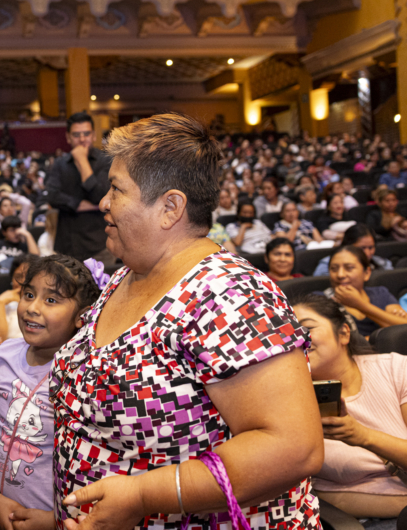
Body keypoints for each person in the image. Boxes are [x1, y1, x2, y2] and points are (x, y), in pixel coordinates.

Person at [52, 113, 323, 530]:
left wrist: (142, 496)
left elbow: (291, 448)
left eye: (117, 189)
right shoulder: (131, 272)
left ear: (170, 207)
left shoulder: (229, 294)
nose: (104, 202)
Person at [0, 255, 101, 530]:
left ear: (81, 317)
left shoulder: (83, 375)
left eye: (51, 300)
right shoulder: (4, 355)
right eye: (29, 294)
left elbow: (98, 471)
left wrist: (56, 521)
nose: (32, 308)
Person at [291, 294, 407, 523]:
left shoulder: (395, 368)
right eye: (288, 333)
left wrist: (360, 435)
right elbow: (315, 494)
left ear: (343, 333)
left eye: (306, 328)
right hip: (374, 519)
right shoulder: (289, 404)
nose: (296, 338)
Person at [45, 112, 113, 265]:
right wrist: (81, 205)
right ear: (68, 137)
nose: (82, 139)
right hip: (67, 244)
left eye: (86, 133)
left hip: (99, 245)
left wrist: (82, 161)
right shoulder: (59, 164)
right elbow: (52, 197)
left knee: (102, 289)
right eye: (76, 134)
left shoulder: (105, 161)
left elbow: (99, 197)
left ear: (94, 135)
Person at [324, 246, 407, 338]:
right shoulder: (321, 300)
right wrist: (388, 321)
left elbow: (403, 328)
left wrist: (360, 305)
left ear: (367, 273)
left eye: (349, 268)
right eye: (334, 269)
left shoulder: (380, 293)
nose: (340, 274)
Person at [0, 254, 38, 342]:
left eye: (29, 277)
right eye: (18, 277)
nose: (23, 282)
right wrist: (0, 303)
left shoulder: (47, 304)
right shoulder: (5, 303)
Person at [314, 224, 394, 277]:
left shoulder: (383, 264)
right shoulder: (327, 266)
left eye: (370, 248)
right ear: (347, 246)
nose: (367, 253)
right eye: (361, 248)